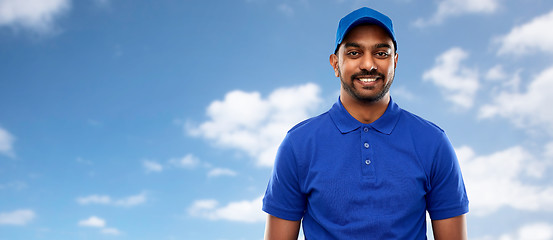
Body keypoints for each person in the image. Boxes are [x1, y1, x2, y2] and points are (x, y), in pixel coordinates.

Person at [262, 7, 469, 240]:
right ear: (335, 63)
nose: (368, 64)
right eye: (354, 53)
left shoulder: (433, 143)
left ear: (395, 61)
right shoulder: (298, 145)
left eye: (381, 53)